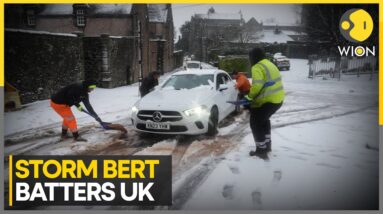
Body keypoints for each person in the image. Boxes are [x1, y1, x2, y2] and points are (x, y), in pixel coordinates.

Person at [245, 48, 285, 157]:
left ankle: (261, 149)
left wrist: (249, 97)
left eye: (250, 57)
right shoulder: (269, 64)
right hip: (278, 100)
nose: (250, 60)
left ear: (254, 57)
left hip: (268, 100)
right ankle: (267, 145)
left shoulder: (257, 66)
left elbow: (257, 85)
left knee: (255, 123)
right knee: (264, 120)